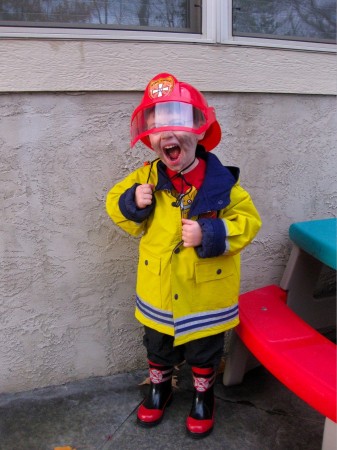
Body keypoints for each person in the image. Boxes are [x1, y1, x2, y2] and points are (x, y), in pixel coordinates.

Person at [106, 73, 262, 439]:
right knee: (157, 345)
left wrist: (211, 232)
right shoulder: (144, 177)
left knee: (205, 349)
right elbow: (113, 204)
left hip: (206, 292)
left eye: (178, 125)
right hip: (158, 288)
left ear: (200, 132)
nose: (168, 135)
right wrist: (133, 202)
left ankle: (204, 397)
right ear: (150, 140)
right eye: (158, 129)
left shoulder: (222, 183)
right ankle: (160, 388)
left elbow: (249, 222)